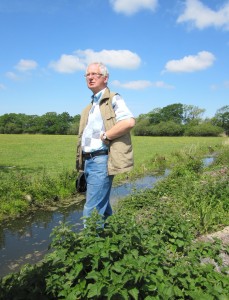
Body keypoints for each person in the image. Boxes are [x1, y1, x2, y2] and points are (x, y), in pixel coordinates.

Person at [76, 62, 135, 223]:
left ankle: (90, 246)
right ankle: (114, 237)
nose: (90, 77)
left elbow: (128, 122)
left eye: (95, 74)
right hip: (88, 161)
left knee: (92, 210)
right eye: (87, 74)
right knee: (102, 206)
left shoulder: (113, 99)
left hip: (101, 160)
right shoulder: (90, 106)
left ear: (105, 78)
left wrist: (106, 136)